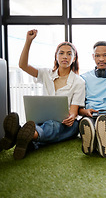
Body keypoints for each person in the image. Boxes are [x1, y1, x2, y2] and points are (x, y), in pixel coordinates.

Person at [0, 29, 85, 160]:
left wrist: (72, 117)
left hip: (66, 124)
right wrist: (28, 41)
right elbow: (23, 65)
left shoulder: (79, 82)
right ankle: (28, 140)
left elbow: (74, 110)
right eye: (61, 53)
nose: (65, 57)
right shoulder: (46, 73)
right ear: (56, 56)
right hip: (43, 121)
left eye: (69, 54)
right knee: (45, 125)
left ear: (74, 59)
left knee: (53, 125)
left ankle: (18, 135)